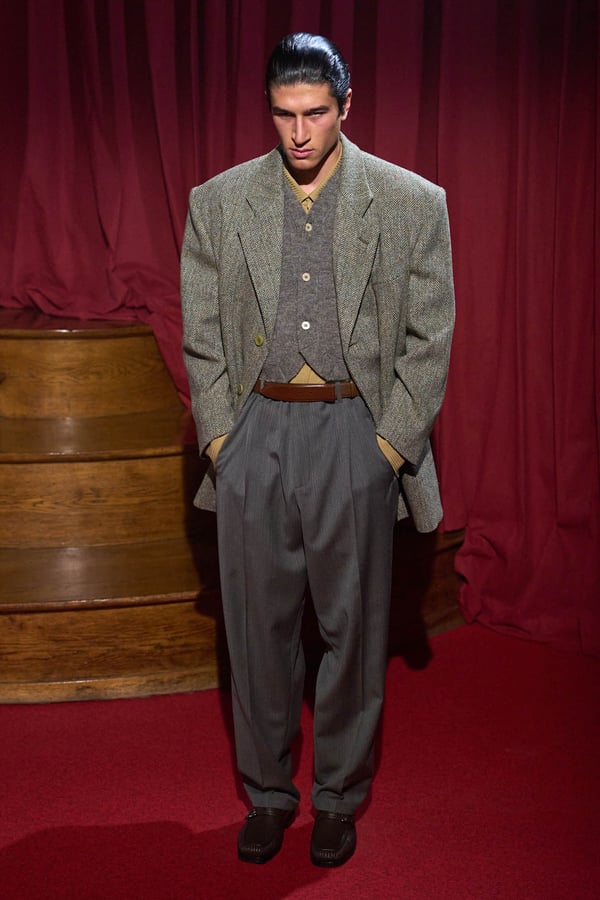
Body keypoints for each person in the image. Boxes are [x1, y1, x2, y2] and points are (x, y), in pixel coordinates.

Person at [181, 32, 455, 868]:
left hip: (354, 433)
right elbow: (200, 334)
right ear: (268, 110)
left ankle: (338, 797)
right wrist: (222, 439)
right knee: (256, 632)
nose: (299, 133)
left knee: (353, 630)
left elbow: (430, 338)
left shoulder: (411, 202)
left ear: (345, 107)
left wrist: (387, 448)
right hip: (255, 431)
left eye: (315, 113)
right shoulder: (219, 201)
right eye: (284, 114)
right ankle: (268, 794)